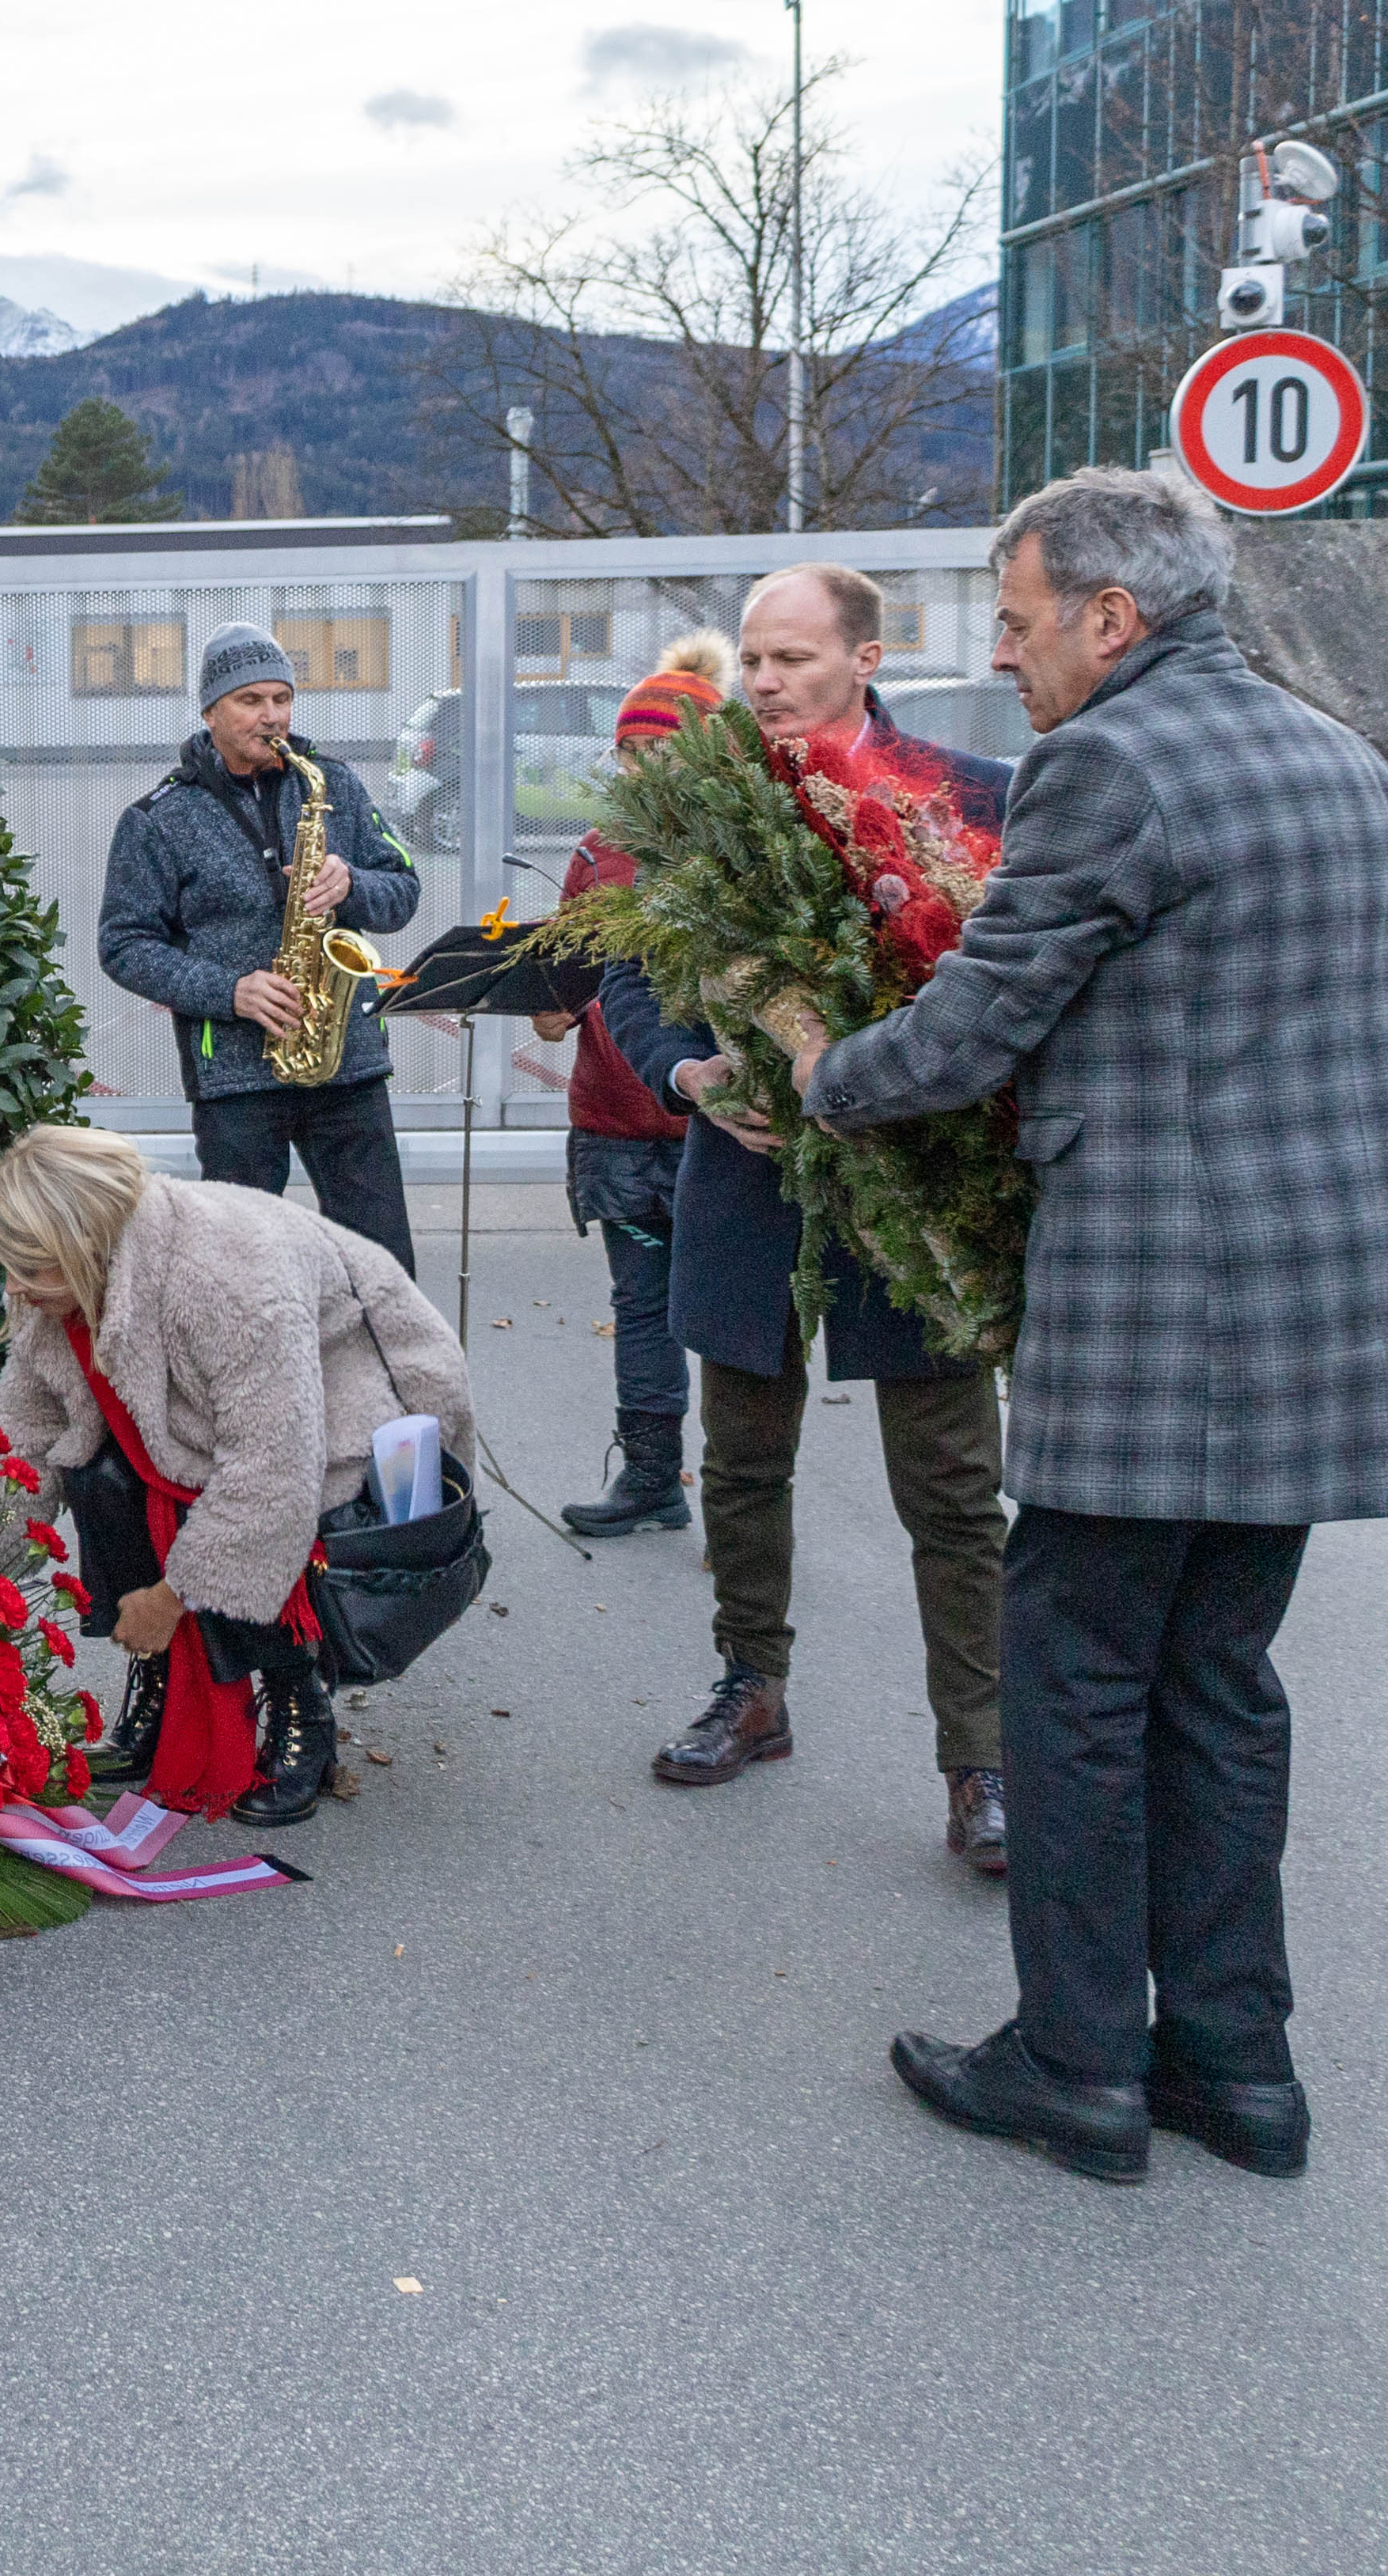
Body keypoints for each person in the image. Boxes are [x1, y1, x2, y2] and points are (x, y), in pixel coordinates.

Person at [790, 468, 1388, 2186]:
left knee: (1070, 1684)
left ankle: (1079, 2062)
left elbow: (977, 1025)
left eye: (1015, 621)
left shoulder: (1108, 761)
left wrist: (816, 1074)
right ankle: (1238, 2064)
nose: (1002, 657)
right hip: (1327, 1301)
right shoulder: (1344, 756)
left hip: (1167, 1310)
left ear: (1109, 618)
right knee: (1219, 1681)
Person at [597, 563, 1018, 1877]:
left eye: (790, 659)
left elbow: (1010, 989)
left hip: (908, 1184)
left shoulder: (964, 796)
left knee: (949, 1486)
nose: (765, 682)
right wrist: (685, 1075)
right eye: (752, 659)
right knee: (738, 1462)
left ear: (864, 656)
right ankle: (749, 1688)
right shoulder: (699, 805)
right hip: (750, 1173)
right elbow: (629, 973)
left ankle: (982, 1760)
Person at [0, 1125, 472, 1829]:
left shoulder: (228, 1280)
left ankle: (300, 1695)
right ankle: (160, 1673)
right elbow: (24, 1437)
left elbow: (273, 1473)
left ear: (88, 1245)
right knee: (99, 1474)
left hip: (341, 1397)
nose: (15, 1290)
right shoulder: (55, 1281)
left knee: (260, 1511)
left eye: (31, 1269)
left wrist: (170, 1600)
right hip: (208, 1414)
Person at [98, 623, 426, 1272]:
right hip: (237, 1078)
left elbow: (405, 889)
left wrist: (353, 884)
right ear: (211, 711)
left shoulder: (333, 784)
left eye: (282, 698)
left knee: (383, 1267)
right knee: (237, 1275)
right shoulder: (158, 817)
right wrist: (229, 992)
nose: (272, 715)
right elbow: (124, 944)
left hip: (346, 1067)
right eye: (251, 700)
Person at [531, 635, 725, 1538]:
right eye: (630, 750)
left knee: (729, 1318)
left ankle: (741, 1494)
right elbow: (564, 983)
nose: (643, 765)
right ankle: (653, 1477)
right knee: (640, 1305)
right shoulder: (595, 853)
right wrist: (546, 1010)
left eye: (663, 748)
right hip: (613, 1118)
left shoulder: (736, 851)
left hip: (718, 1131)